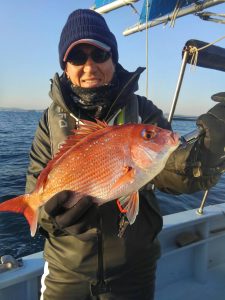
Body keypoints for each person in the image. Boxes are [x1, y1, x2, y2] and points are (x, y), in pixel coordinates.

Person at [25, 9, 225, 300]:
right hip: (67, 272)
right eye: (78, 57)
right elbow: (37, 194)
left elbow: (175, 172)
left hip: (134, 268)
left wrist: (208, 152)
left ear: (113, 58)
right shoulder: (49, 123)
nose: (89, 66)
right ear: (65, 67)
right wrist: (54, 216)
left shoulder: (143, 112)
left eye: (99, 54)